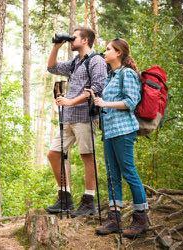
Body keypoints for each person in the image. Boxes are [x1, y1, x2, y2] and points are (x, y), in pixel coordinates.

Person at [89, 38, 149, 238]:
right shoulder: (110, 76)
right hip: (109, 131)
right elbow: (108, 101)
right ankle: (114, 219)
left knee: (129, 172)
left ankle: (141, 218)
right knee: (113, 175)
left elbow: (131, 102)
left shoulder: (127, 74)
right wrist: (97, 101)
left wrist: (105, 104)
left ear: (118, 53)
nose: (104, 52)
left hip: (124, 131)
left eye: (108, 49)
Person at [46, 27, 107, 217]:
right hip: (68, 118)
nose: (71, 40)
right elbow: (52, 67)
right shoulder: (75, 62)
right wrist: (57, 46)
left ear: (86, 40)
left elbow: (98, 87)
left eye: (75, 37)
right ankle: (65, 197)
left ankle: (89, 200)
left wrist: (71, 101)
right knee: (53, 154)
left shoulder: (96, 60)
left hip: (84, 117)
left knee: (86, 156)